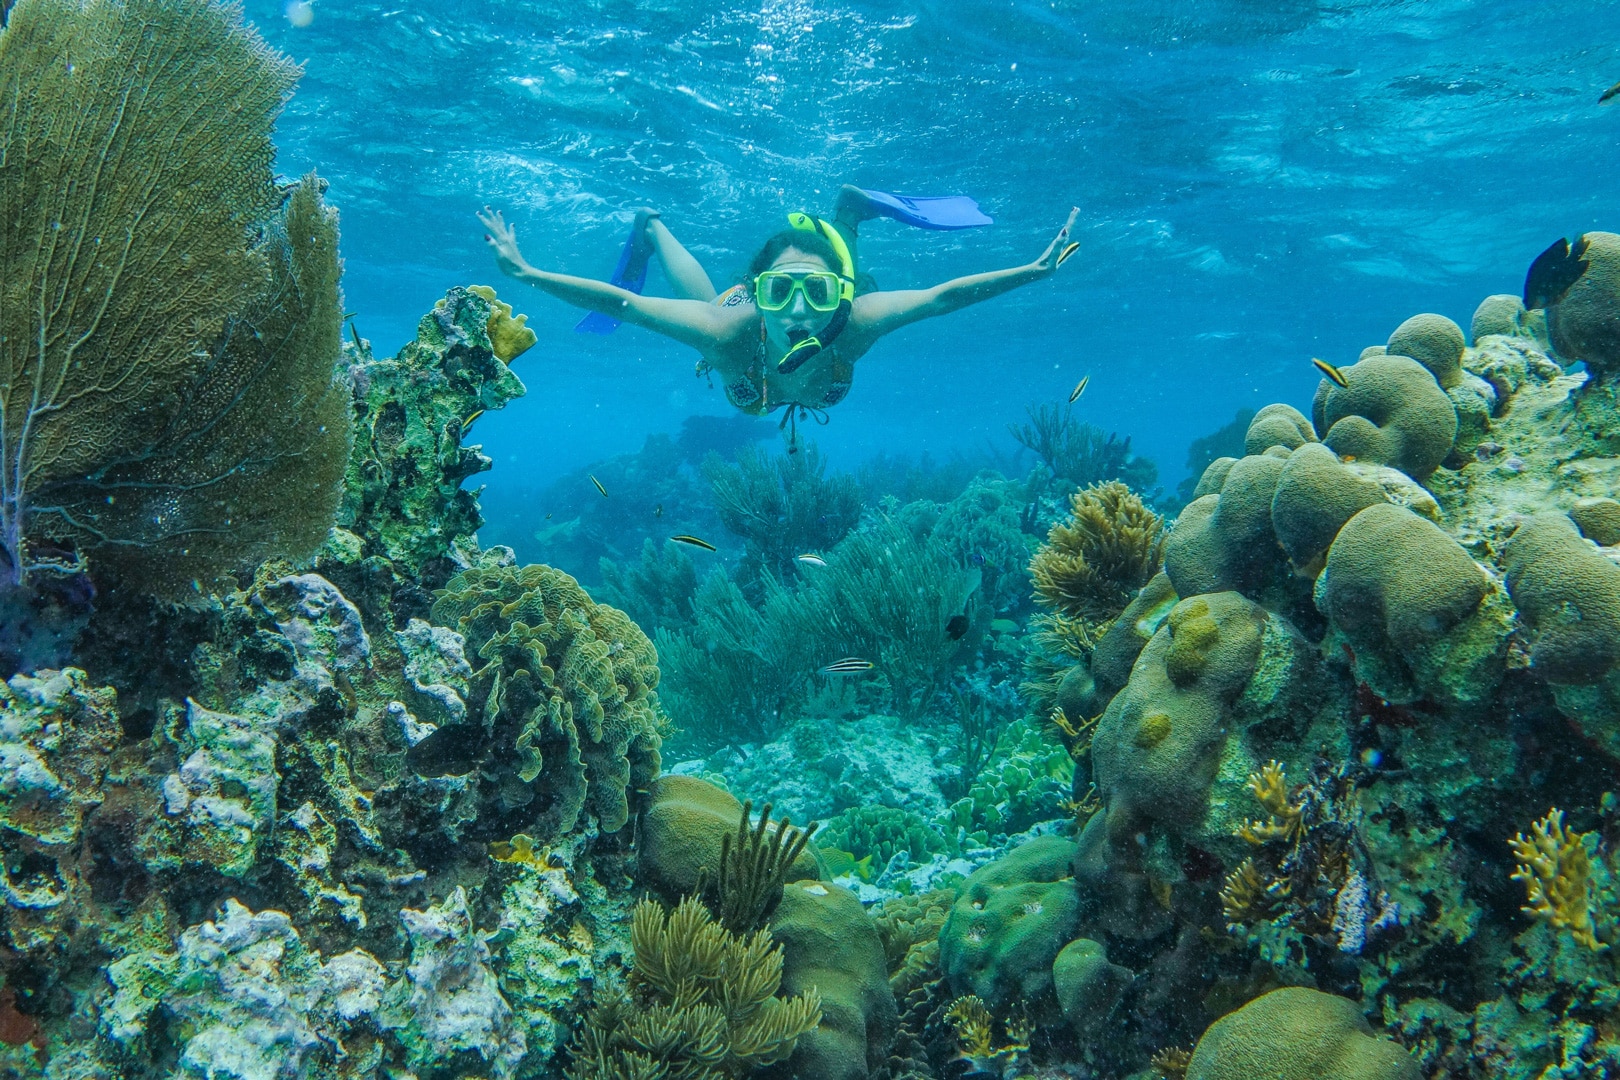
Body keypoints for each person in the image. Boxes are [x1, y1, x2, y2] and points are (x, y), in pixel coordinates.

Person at [477, 185, 1079, 446]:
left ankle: (850, 210)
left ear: (839, 299)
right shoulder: (728, 329)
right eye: (780, 292)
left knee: (843, 247)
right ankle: (652, 225)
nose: (797, 312)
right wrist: (527, 275)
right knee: (710, 309)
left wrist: (1035, 270)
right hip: (731, 325)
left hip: (824, 294)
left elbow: (941, 298)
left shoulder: (858, 321)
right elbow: (627, 304)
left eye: (817, 295)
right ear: (759, 290)